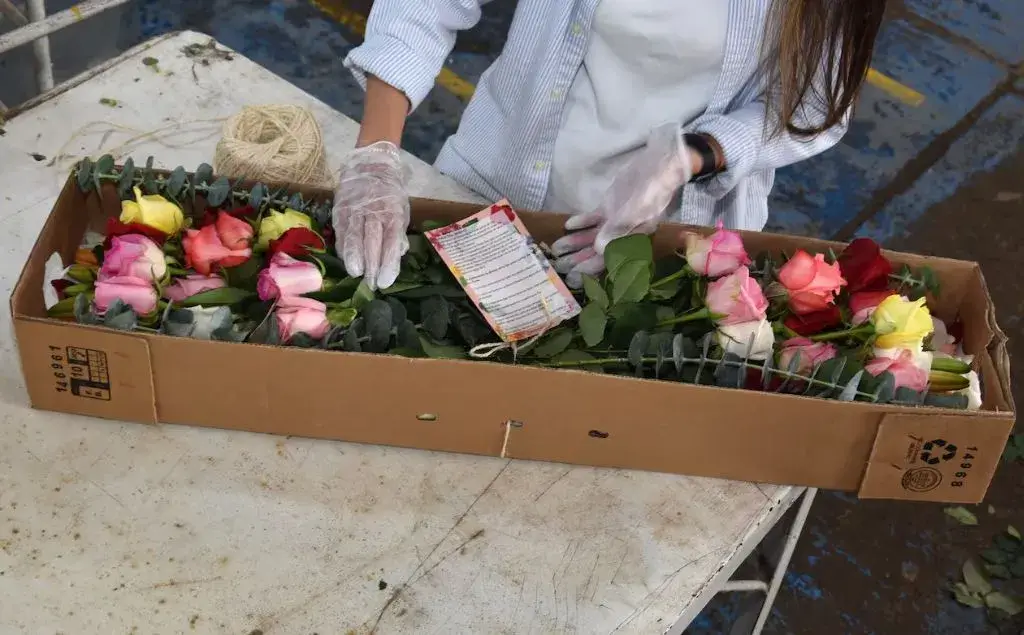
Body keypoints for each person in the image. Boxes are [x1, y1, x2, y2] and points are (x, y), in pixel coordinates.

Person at [332, 0, 887, 289]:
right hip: (488, 188)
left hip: (664, 244)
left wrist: (693, 154)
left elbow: (811, 108)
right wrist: (376, 156)